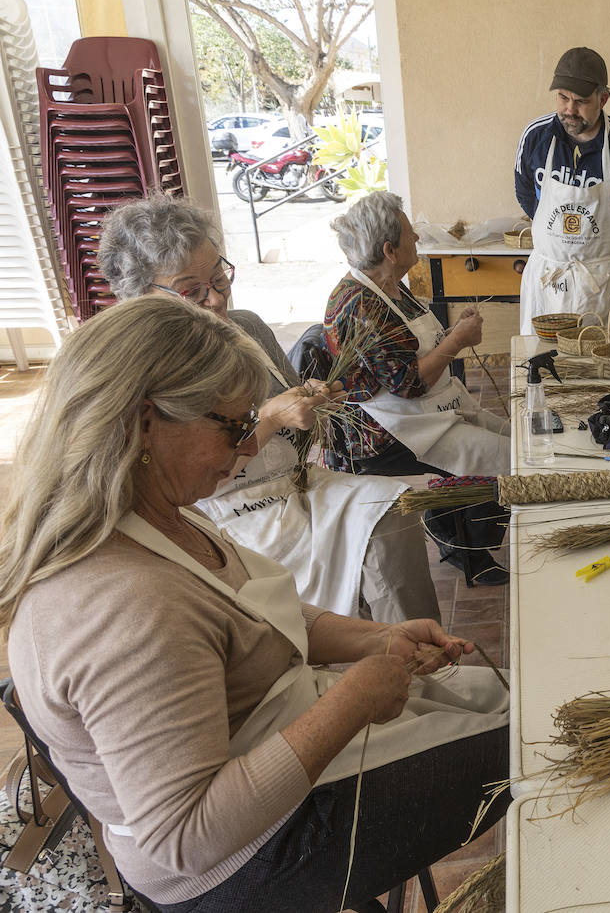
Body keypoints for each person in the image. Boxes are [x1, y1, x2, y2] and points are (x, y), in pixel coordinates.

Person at [0, 297, 510, 912]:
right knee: (531, 741)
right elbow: (185, 835)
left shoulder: (162, 515)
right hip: (240, 858)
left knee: (513, 697)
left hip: (269, 757)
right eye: (234, 427)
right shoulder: (121, 608)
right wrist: (354, 699)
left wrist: (376, 639)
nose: (248, 449)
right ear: (144, 422)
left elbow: (258, 619)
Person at [96, 195, 440, 624]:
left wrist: (313, 400)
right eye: (192, 291)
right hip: (221, 515)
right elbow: (191, 483)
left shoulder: (248, 328)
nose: (216, 300)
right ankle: (350, 649)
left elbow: (302, 429)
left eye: (219, 279)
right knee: (292, 597)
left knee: (391, 513)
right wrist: (271, 417)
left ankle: (416, 647)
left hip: (293, 487)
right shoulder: (138, 372)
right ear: (141, 297)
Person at [324, 191, 510, 585]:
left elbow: (411, 349)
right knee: (508, 460)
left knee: (517, 439)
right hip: (386, 433)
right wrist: (456, 341)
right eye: (411, 234)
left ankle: (453, 530)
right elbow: (407, 383)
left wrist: (454, 331)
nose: (418, 239)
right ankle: (468, 548)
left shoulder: (391, 285)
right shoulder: (361, 305)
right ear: (389, 250)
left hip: (423, 412)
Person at [513, 46, 610, 334]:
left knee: (603, 356)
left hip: (605, 283)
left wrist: (607, 246)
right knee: (539, 357)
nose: (569, 110)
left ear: (602, 99)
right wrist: (555, 237)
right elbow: (524, 189)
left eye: (581, 101)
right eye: (563, 98)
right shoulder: (535, 136)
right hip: (548, 279)